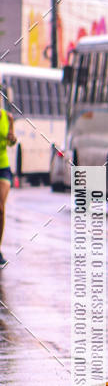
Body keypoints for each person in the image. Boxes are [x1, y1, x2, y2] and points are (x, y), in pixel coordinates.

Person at [0, 106, 16, 267]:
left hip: (3, 166)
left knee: (1, 208)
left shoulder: (7, 117)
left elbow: (12, 142)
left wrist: (12, 138)